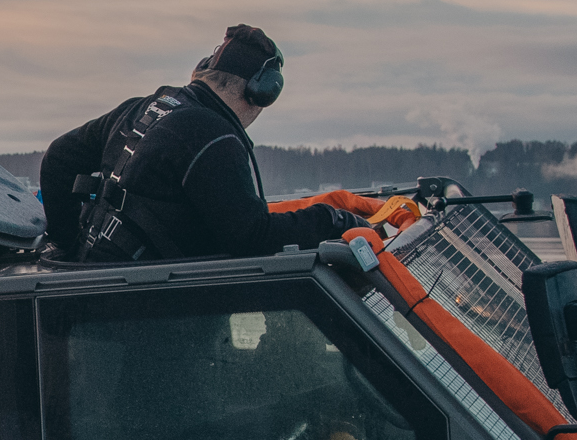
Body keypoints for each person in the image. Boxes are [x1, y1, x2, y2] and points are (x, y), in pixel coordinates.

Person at [40, 23, 373, 263]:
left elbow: (58, 157)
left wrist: (68, 246)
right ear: (261, 92)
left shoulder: (144, 108)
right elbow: (250, 236)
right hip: (144, 316)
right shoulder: (214, 139)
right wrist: (334, 221)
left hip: (98, 284)